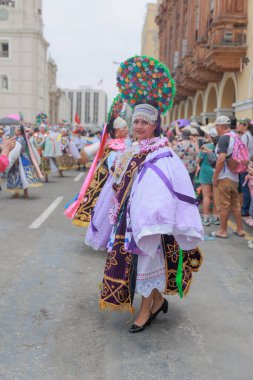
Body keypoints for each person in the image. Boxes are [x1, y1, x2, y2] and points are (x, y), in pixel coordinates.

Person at [85, 56, 203, 333]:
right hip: (129, 219)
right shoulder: (132, 149)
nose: (139, 126)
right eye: (136, 121)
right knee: (137, 265)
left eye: (145, 122)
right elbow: (116, 184)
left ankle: (146, 310)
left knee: (148, 261)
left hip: (151, 221)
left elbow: (169, 187)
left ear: (155, 125)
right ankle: (157, 300)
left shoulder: (163, 152)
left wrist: (151, 215)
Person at [211, 115, 245, 238]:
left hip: (223, 176)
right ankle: (240, 229)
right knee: (235, 204)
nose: (216, 128)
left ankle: (223, 231)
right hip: (234, 176)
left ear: (221, 126)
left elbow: (221, 159)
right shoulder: (236, 137)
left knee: (223, 204)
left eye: (216, 126)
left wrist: (215, 176)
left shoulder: (223, 138)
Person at [6, 125, 43, 198]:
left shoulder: (20, 139)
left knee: (21, 176)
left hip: (19, 159)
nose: (15, 131)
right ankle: (19, 192)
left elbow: (17, 150)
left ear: (19, 131)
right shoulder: (23, 138)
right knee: (21, 176)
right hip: (23, 158)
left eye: (16, 130)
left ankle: (23, 193)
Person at [196, 125, 219, 226]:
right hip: (216, 171)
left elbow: (198, 160)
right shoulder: (218, 146)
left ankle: (206, 218)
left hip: (205, 171)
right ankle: (216, 217)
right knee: (215, 196)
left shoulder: (205, 147)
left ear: (209, 136)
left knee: (206, 196)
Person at [237, 118, 253, 217]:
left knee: (246, 188)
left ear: (245, 126)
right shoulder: (250, 135)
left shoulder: (245, 136)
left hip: (245, 166)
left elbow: (241, 153)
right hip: (251, 164)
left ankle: (245, 209)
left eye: (240, 124)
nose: (238, 126)